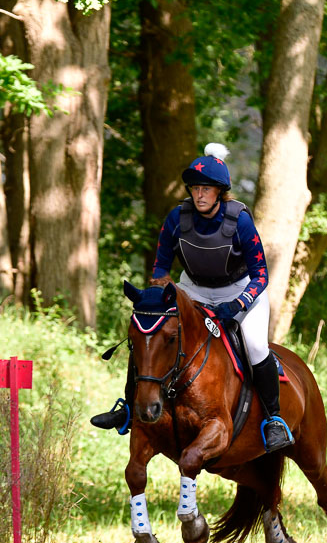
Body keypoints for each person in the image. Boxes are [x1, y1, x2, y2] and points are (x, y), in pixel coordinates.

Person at [91, 143, 293, 452]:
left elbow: (261, 274)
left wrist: (237, 305)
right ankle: (130, 409)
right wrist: (157, 296)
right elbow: (160, 266)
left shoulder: (239, 220)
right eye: (195, 188)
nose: (199, 194)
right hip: (193, 289)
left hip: (240, 290)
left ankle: (274, 420)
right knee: (152, 335)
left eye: (206, 189)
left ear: (219, 192)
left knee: (254, 346)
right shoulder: (177, 218)